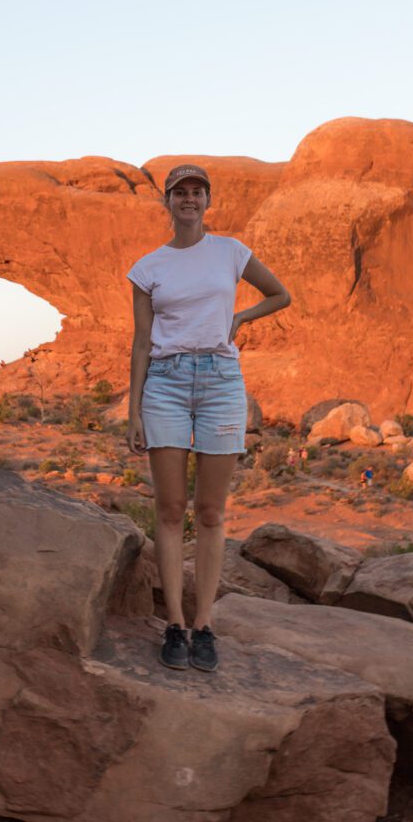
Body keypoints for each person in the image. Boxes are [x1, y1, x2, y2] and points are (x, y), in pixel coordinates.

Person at [127, 164, 290, 673]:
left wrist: (240, 318)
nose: (189, 200)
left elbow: (280, 294)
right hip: (166, 385)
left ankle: (205, 625)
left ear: (207, 200)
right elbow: (140, 341)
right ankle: (174, 624)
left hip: (220, 382)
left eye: (197, 192)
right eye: (180, 192)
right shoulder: (147, 267)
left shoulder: (231, 251)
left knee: (212, 512)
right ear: (168, 203)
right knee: (171, 509)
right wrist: (133, 409)